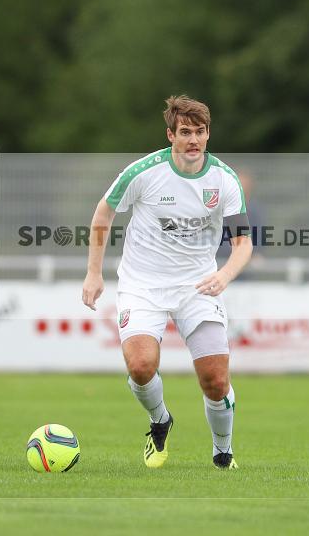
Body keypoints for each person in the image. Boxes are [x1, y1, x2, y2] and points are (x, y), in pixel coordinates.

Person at [82, 95, 253, 469]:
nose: (194, 139)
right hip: (143, 286)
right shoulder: (143, 172)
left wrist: (223, 275)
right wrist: (94, 273)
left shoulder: (224, 179)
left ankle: (222, 452)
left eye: (201, 132)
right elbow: (102, 214)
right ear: (170, 135)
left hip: (198, 287)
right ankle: (160, 420)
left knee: (215, 380)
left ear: (209, 134)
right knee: (141, 366)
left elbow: (243, 242)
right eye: (186, 132)